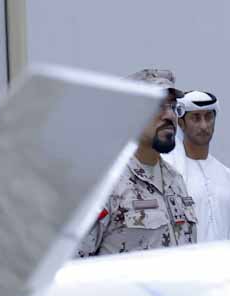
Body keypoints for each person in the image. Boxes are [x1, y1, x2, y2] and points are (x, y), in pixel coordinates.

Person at [77, 67, 197, 257]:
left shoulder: (175, 181)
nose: (170, 115)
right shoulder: (104, 184)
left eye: (173, 106)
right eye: (158, 105)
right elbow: (72, 265)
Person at [164, 89, 230, 242]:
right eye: (196, 118)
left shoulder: (228, 177)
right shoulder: (169, 172)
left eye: (208, 117)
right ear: (181, 123)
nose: (204, 125)